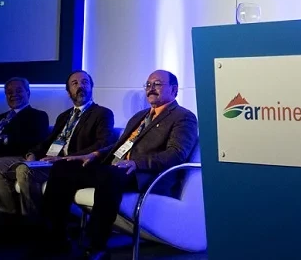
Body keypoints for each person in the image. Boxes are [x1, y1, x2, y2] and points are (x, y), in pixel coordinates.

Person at [41, 69, 198, 259]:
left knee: (110, 176)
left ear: (174, 90)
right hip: (115, 168)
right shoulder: (140, 116)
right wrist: (94, 154)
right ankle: (55, 237)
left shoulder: (183, 117)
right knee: (62, 168)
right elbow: (119, 146)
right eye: (148, 85)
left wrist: (136, 163)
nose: (151, 88)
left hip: (145, 175)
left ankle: (96, 246)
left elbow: (176, 154)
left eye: (157, 84)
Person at [0, 70, 116, 218]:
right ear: (69, 92)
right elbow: (47, 141)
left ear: (91, 87)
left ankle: (32, 223)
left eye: (85, 82)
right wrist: (32, 153)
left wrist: (64, 159)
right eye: (74, 83)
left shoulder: (102, 113)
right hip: (46, 160)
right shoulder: (64, 116)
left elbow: (103, 143)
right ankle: (10, 218)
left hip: (68, 164)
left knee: (24, 171)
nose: (80, 86)